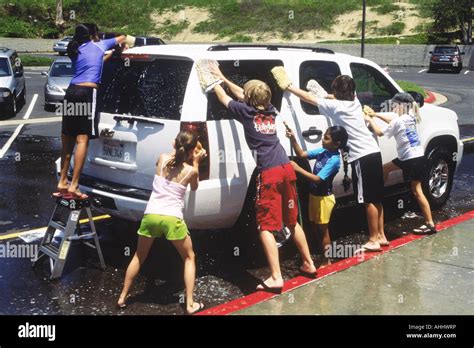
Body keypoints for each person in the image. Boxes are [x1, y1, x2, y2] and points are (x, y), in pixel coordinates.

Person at [210, 67, 317, 293]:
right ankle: (308, 263)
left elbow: (224, 98)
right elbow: (243, 94)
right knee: (291, 220)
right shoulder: (270, 109)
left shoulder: (245, 112)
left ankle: (276, 277)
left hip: (268, 172)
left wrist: (211, 80)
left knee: (265, 226)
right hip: (287, 168)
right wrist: (223, 77)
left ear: (248, 99)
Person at [282, 74, 388, 251]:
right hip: (374, 152)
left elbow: (309, 98)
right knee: (376, 198)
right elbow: (335, 97)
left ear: (336, 92)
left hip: (361, 156)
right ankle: (381, 236)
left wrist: (289, 86)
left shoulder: (336, 106)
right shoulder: (355, 102)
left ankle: (373, 240)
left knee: (368, 200)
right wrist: (326, 94)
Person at [117, 131, 207, 314]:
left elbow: (171, 159)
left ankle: (122, 297)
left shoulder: (162, 158)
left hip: (151, 215)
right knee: (189, 257)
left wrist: (182, 151)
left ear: (174, 144)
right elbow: (195, 188)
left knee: (139, 256)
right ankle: (190, 304)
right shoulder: (190, 171)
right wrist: (196, 162)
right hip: (172, 218)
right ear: (191, 152)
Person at [55, 23, 134, 199]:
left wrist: (112, 53)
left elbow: (95, 62)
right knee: (82, 139)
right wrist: (120, 46)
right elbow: (126, 36)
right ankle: (74, 185)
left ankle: (62, 181)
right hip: (87, 93)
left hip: (71, 92)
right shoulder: (99, 45)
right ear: (93, 35)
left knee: (67, 138)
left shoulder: (74, 48)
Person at [364, 93, 436, 234]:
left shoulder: (398, 121)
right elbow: (393, 120)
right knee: (386, 169)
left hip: (410, 159)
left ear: (402, 106)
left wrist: (368, 119)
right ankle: (380, 194)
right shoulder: (411, 117)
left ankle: (430, 224)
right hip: (415, 156)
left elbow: (379, 132)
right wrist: (376, 115)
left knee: (417, 191)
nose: (393, 107)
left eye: (394, 105)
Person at [286, 125, 349, 267]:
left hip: (324, 199)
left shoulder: (334, 160)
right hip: (314, 196)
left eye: (326, 138)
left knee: (323, 231)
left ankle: (327, 260)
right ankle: (321, 253)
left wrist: (297, 169)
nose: (323, 140)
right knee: (315, 227)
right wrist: (293, 138)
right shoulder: (324, 151)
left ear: (336, 144)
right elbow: (302, 154)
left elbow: (317, 179)